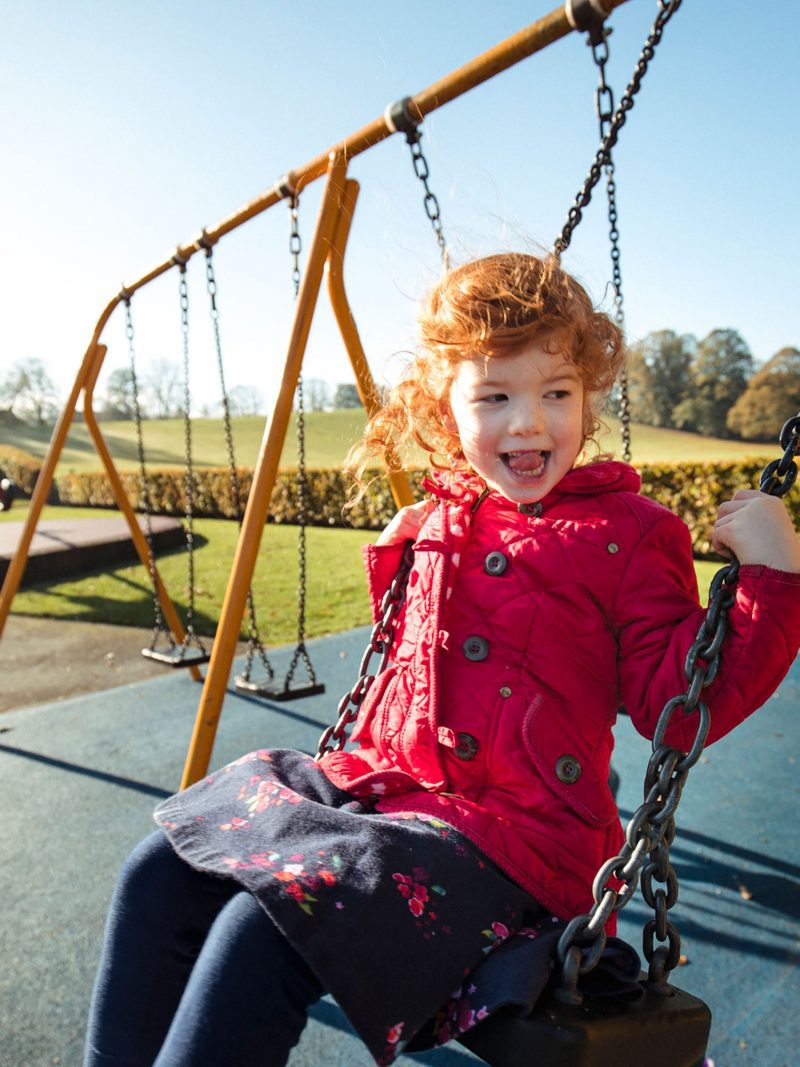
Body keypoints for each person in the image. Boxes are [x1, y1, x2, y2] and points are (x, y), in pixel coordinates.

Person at [84, 252, 800, 1067]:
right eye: (495, 396)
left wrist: (772, 580)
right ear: (444, 406)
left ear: (590, 399)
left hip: (518, 839)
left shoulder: (629, 533)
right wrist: (402, 562)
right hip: (381, 787)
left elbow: (676, 701)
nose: (528, 421)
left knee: (269, 928)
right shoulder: (443, 512)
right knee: (159, 870)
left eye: (555, 393)